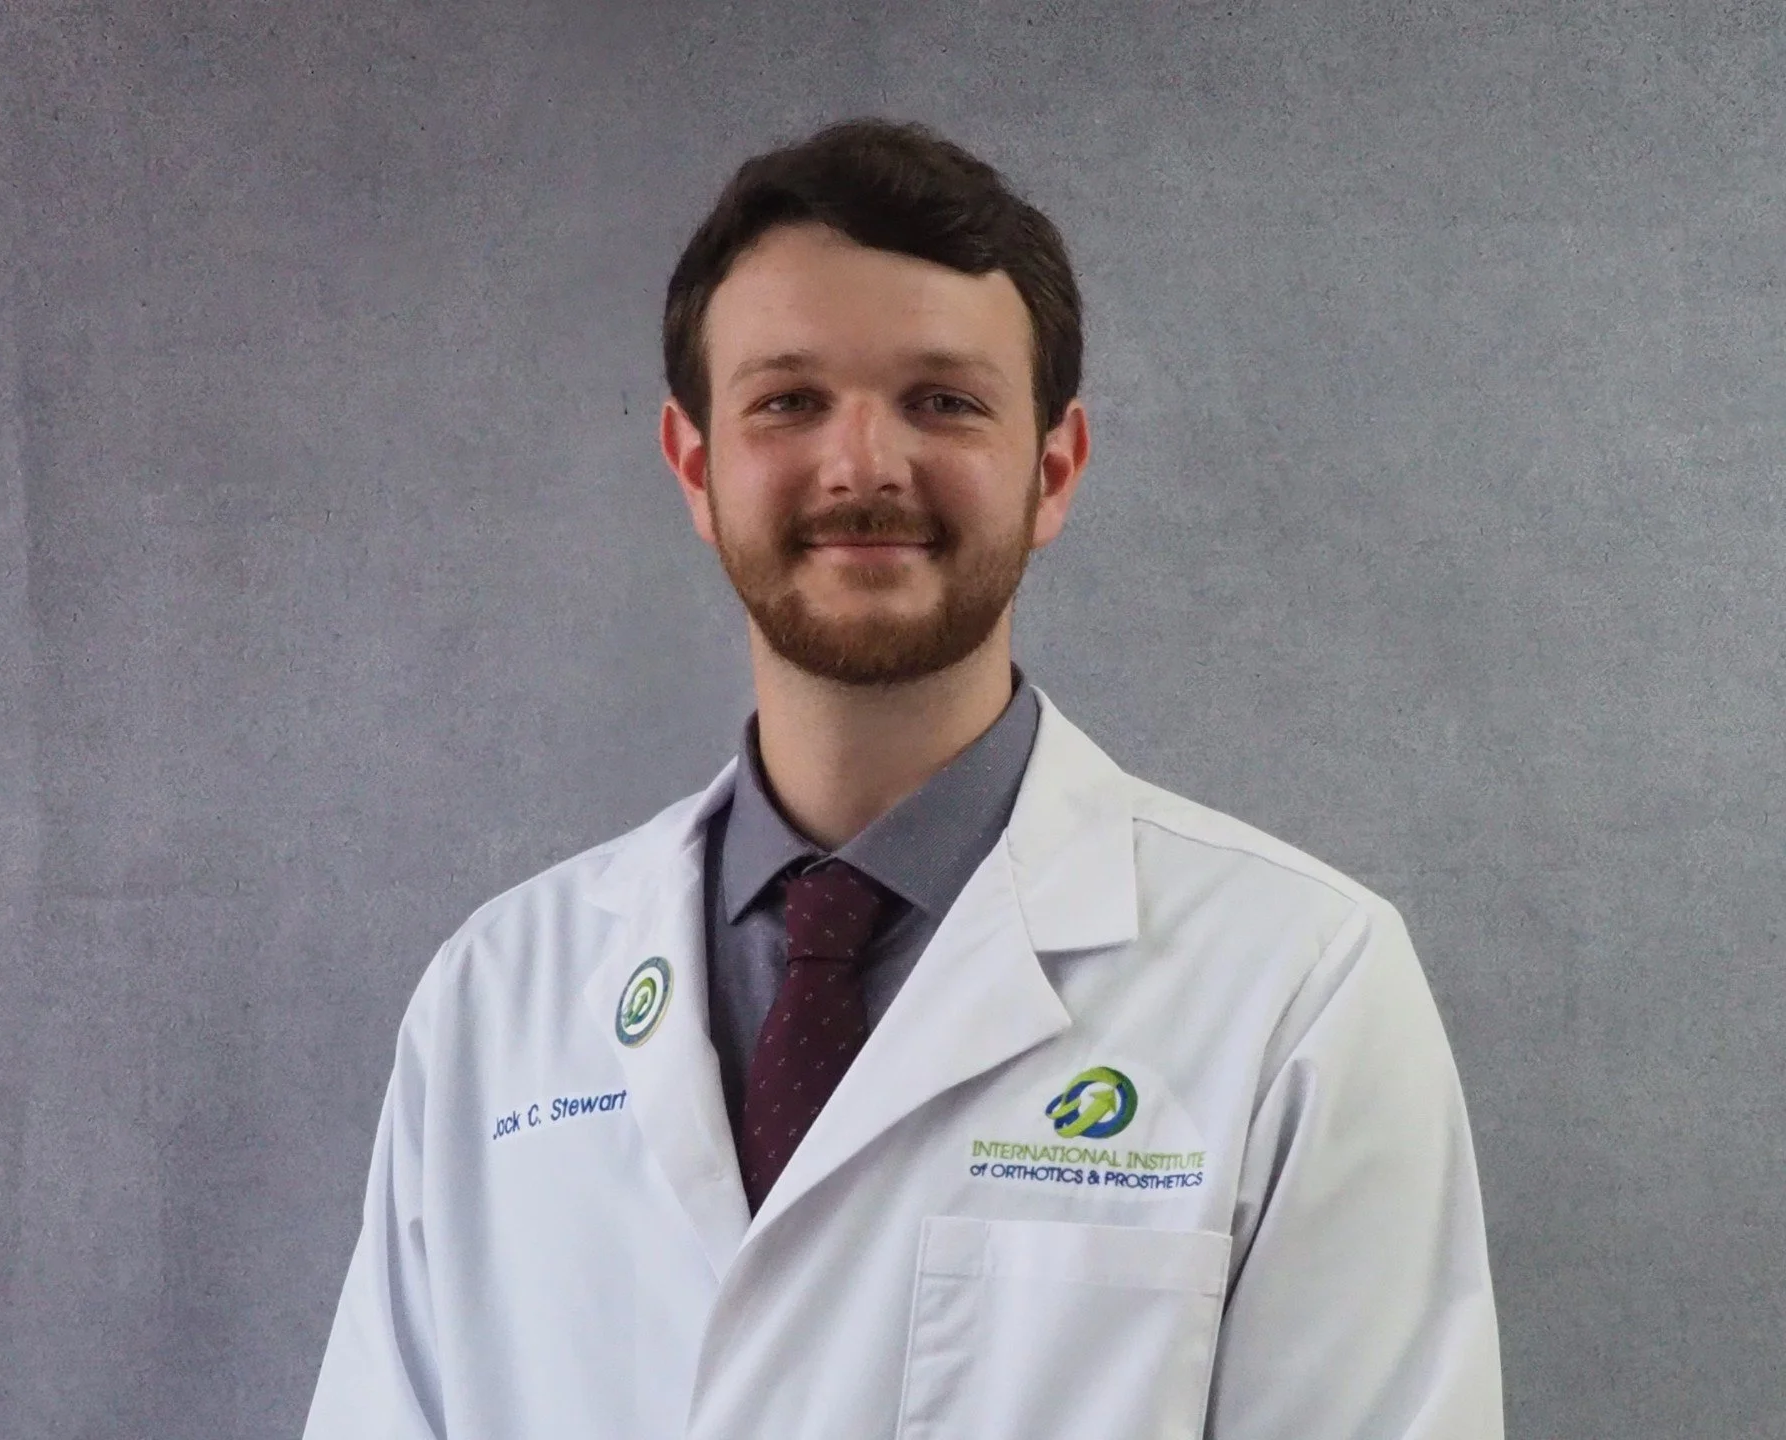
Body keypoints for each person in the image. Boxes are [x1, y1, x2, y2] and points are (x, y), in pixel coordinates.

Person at [303, 116, 1503, 1439]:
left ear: (1054, 471)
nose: (863, 465)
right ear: (696, 468)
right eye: (788, 401)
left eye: (944, 400)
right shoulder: (494, 1000)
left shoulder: (1299, 986)